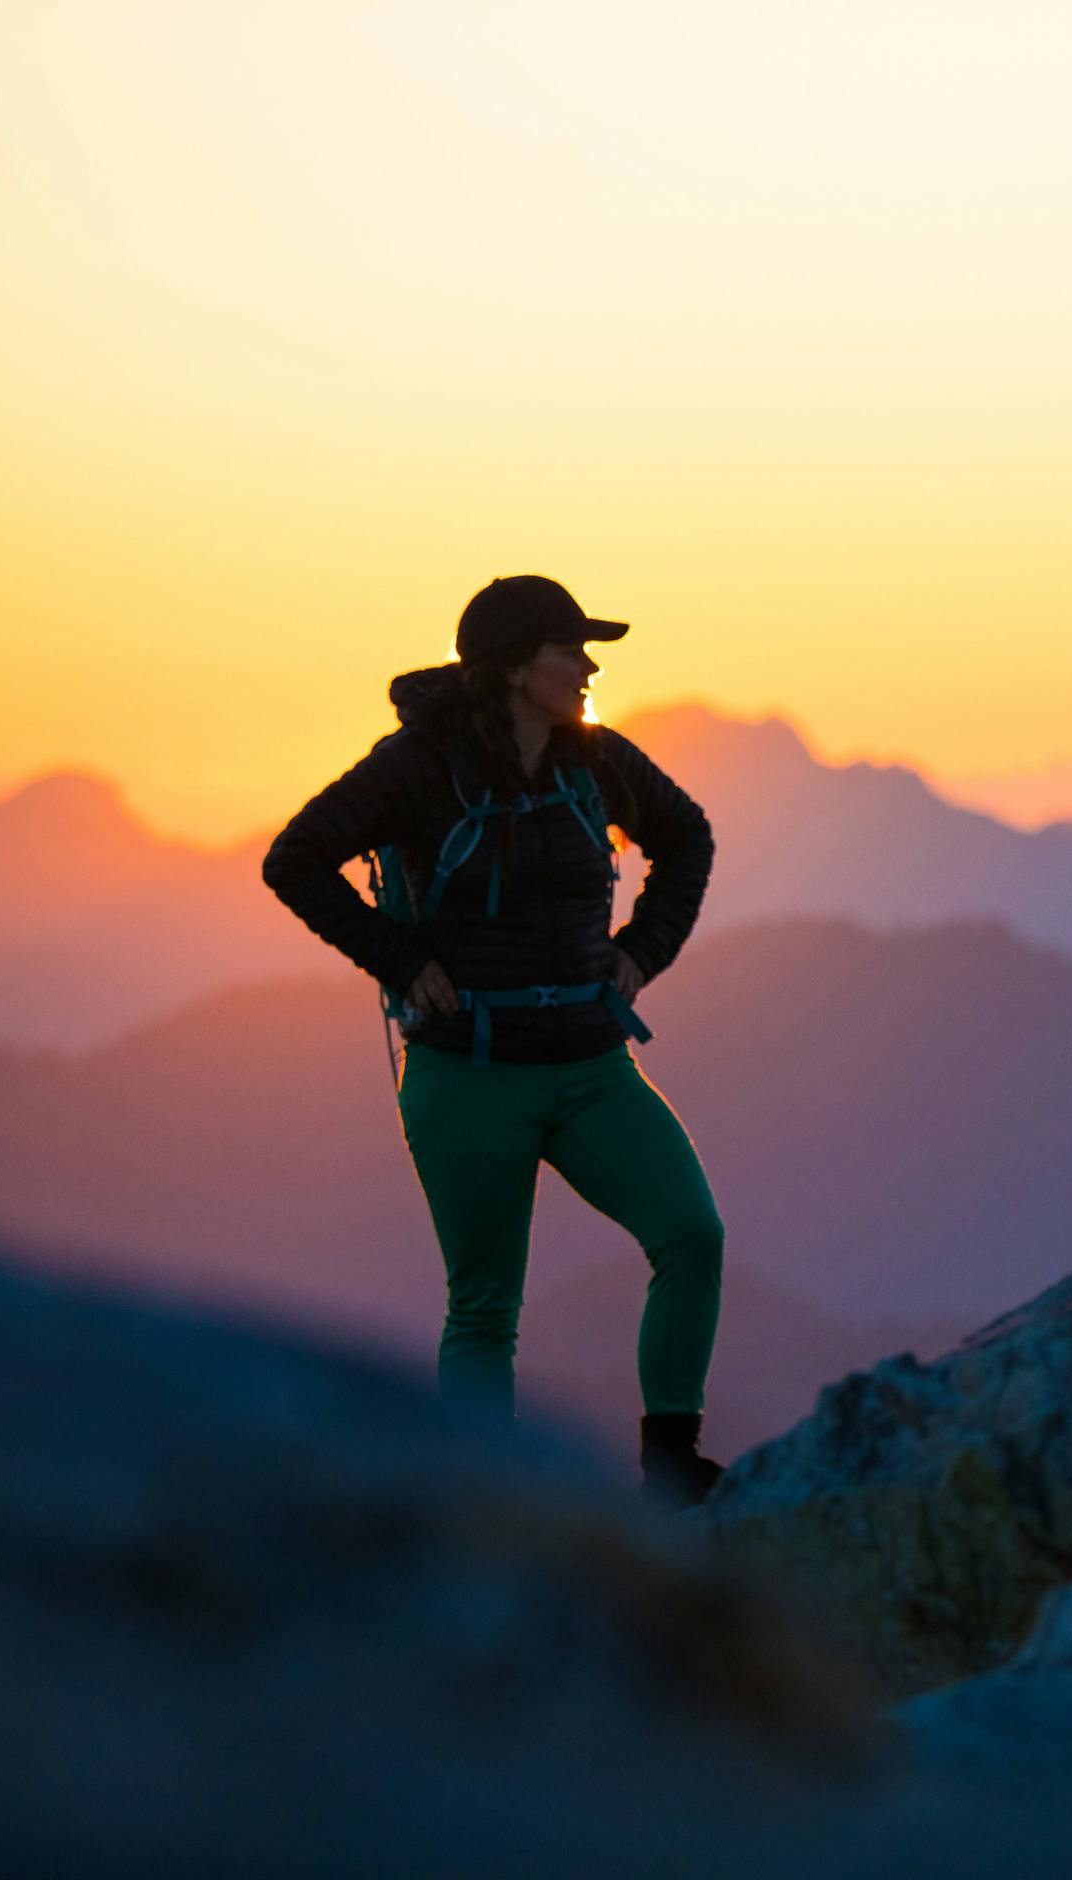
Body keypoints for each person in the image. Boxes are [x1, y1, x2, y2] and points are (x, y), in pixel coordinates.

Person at [262, 574, 726, 1510]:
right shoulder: (416, 767)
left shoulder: (594, 759)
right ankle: (486, 1505)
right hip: (466, 1070)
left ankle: (672, 1475)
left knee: (691, 1235)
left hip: (591, 1064)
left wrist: (642, 951)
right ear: (516, 668)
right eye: (571, 649)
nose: (589, 667)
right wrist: (398, 960)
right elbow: (294, 859)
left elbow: (688, 838)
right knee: (484, 1306)